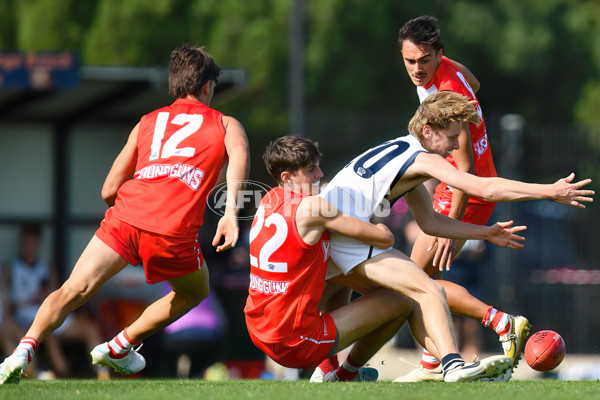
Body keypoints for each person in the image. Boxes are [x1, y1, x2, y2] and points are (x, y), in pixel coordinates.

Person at [0, 45, 250, 384]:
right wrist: (230, 212)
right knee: (195, 292)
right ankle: (120, 345)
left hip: (126, 217)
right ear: (207, 87)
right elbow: (238, 154)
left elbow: (108, 190)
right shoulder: (225, 123)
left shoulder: (146, 122)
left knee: (73, 289)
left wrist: (133, 219)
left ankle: (21, 351)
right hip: (171, 229)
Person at [309, 91, 593, 382]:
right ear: (428, 131)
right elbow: (484, 188)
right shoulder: (422, 159)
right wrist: (549, 191)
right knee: (423, 290)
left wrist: (486, 232)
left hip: (329, 236)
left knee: (392, 297)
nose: (457, 145)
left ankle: (338, 371)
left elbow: (430, 222)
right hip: (342, 235)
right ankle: (453, 364)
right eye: (452, 137)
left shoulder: (403, 153)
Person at [244, 136, 521, 383]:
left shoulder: (268, 199)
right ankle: (452, 363)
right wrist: (378, 224)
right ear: (287, 177)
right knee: (409, 295)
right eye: (310, 170)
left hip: (258, 328)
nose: (320, 174)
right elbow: (384, 238)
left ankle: (333, 372)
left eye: (318, 165)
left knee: (337, 279)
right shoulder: (315, 207)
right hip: (297, 341)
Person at [393, 15, 529, 381]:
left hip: (463, 191)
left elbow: (464, 166)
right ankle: (430, 364)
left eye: (424, 60)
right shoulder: (450, 70)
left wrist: (449, 228)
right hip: (467, 189)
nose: (416, 69)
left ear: (439, 54)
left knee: (413, 282)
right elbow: (477, 82)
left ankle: (502, 323)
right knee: (423, 284)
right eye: (409, 61)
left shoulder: (446, 94)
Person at [1, 223, 109, 380]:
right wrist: (24, 302)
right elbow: (6, 302)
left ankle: (102, 374)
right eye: (28, 240)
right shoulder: (10, 269)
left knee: (89, 329)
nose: (31, 244)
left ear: (39, 242)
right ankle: (64, 375)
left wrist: (45, 294)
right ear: (22, 242)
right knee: (49, 334)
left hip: (49, 312)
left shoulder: (47, 268)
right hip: (25, 318)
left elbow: (58, 295)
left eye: (34, 240)